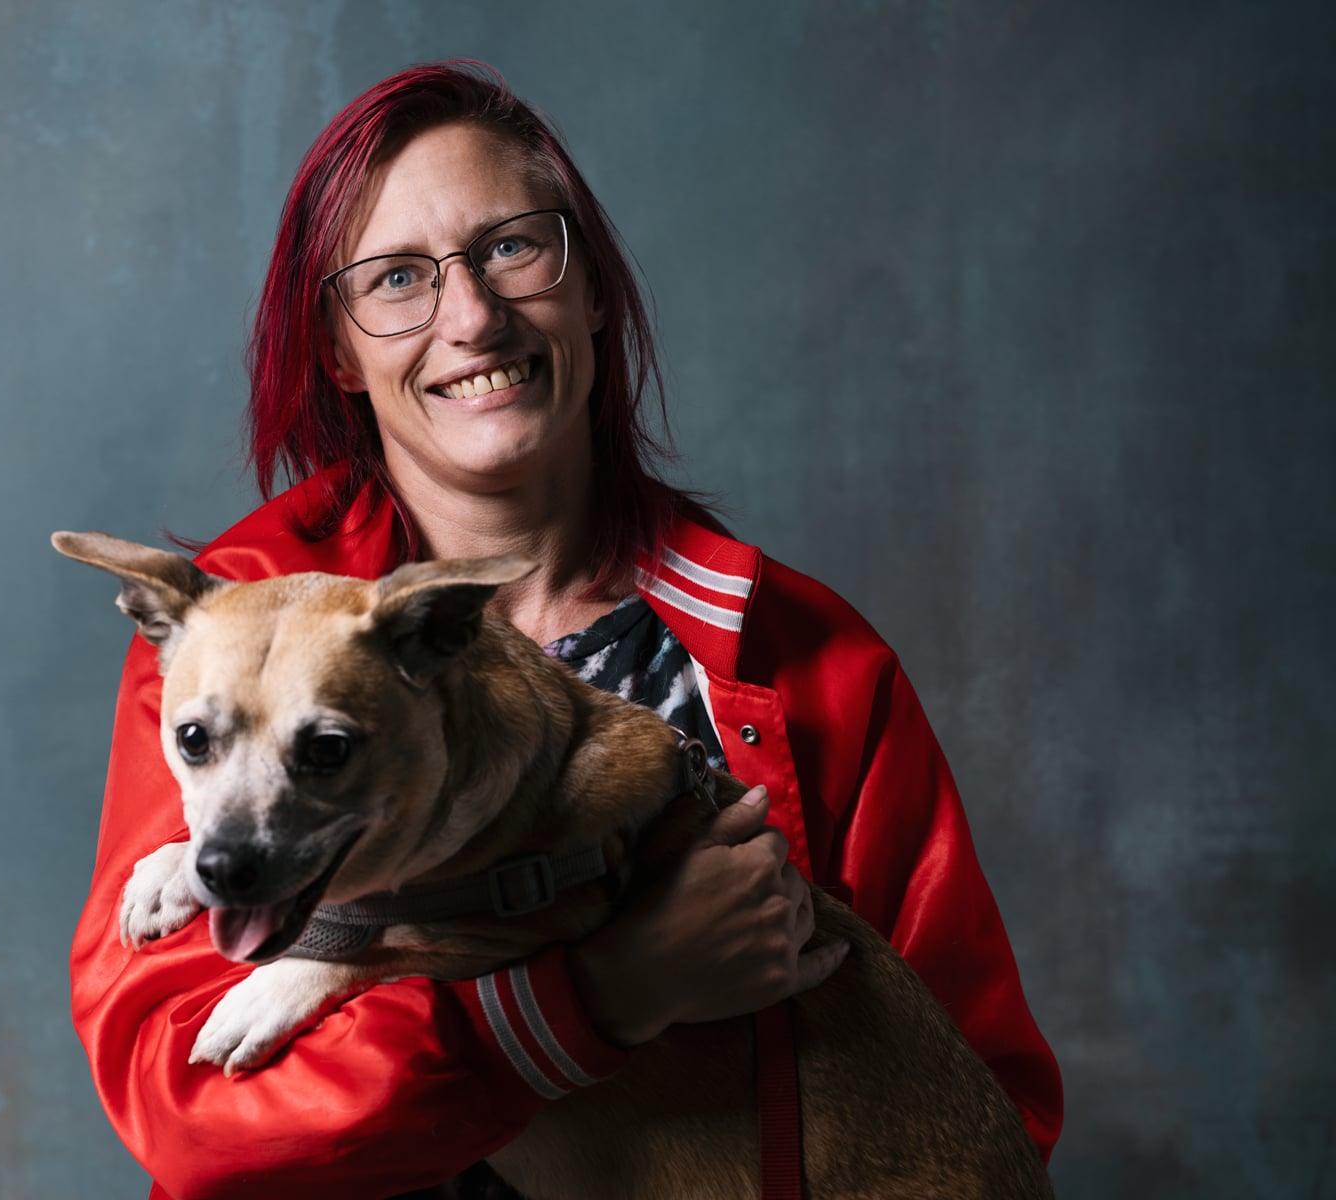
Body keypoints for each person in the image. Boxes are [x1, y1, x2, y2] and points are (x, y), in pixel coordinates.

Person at [69, 60, 1063, 1200]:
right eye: (397, 278)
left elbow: (977, 1103)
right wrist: (605, 993)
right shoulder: (226, 639)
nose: (471, 318)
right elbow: (191, 1115)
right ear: (338, 350)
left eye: (511, 249)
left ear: (592, 288)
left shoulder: (809, 657)